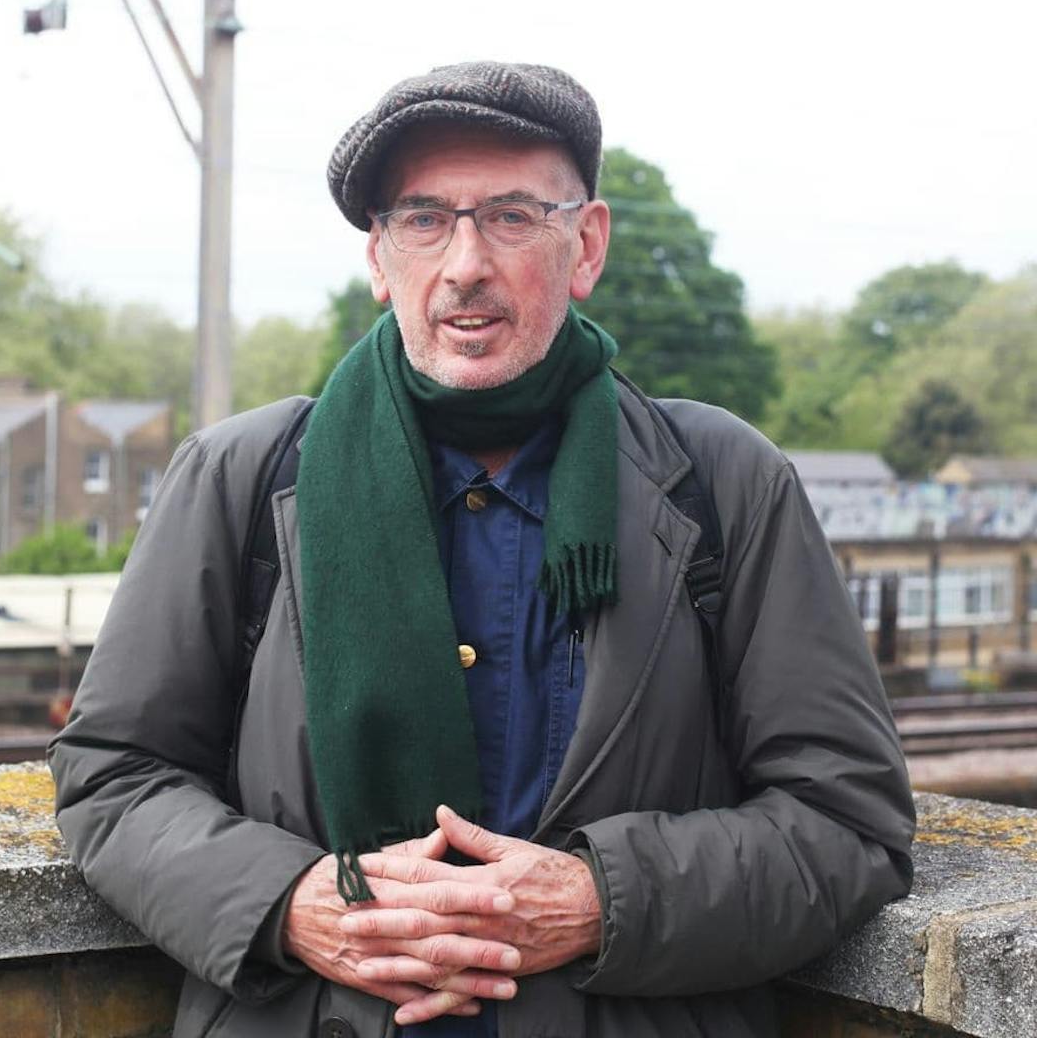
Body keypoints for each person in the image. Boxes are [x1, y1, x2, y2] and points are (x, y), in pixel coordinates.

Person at [50, 61, 915, 1038]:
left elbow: (847, 820)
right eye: (424, 219)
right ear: (380, 259)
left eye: (511, 217)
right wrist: (290, 903)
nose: (464, 264)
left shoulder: (723, 481)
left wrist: (600, 900)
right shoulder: (240, 477)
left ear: (586, 245)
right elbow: (114, 774)